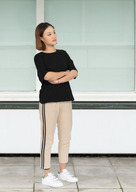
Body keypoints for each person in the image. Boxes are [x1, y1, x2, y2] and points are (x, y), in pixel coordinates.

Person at [34, 22, 79, 187]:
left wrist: (59, 78)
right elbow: (46, 76)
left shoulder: (63, 54)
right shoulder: (39, 57)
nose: (53, 36)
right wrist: (64, 73)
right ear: (41, 38)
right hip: (48, 102)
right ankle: (46, 175)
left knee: (66, 136)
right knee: (48, 138)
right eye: (49, 34)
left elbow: (74, 72)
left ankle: (62, 171)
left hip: (66, 99)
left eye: (54, 32)